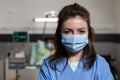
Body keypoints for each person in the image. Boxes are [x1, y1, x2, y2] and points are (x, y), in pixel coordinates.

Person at [38, 3, 114, 80]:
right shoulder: (48, 65)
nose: (74, 36)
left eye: (81, 31)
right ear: (60, 34)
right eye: (67, 32)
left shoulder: (100, 64)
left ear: (88, 33)